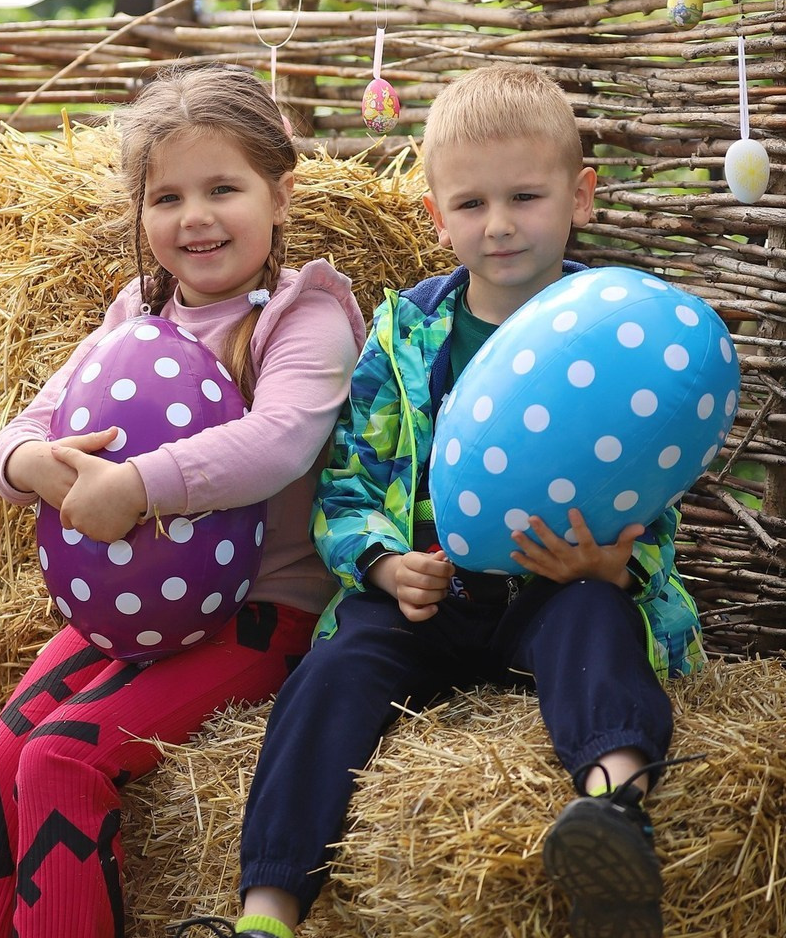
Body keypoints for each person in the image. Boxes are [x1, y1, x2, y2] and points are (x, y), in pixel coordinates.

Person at [172, 64, 705, 938]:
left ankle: (614, 815)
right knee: (330, 678)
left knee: (597, 629)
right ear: (434, 214)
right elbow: (347, 482)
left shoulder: (613, 329)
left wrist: (616, 562)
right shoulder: (404, 334)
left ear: (581, 198)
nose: (498, 227)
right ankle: (265, 913)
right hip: (431, 591)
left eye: (526, 198)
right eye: (470, 205)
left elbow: (653, 479)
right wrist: (383, 566)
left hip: (555, 583)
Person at [0, 62, 366, 938]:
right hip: (128, 616)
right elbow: (23, 428)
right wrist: (36, 469)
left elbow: (280, 440)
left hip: (258, 615)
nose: (194, 217)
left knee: (61, 758)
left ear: (280, 195)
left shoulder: (303, 314)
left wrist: (132, 489)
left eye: (223, 188)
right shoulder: (139, 312)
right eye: (166, 197)